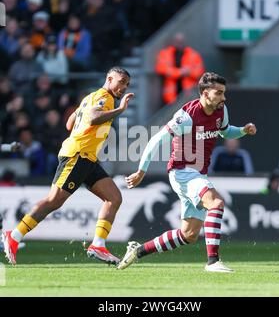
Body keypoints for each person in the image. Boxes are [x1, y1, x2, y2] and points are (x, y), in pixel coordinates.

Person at [117, 72, 257, 272]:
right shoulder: (187, 116)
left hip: (198, 174)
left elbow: (225, 132)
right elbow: (156, 140)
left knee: (189, 234)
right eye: (219, 93)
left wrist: (243, 130)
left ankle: (138, 250)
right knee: (216, 202)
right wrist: (141, 171)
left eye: (224, 93)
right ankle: (213, 262)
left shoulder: (221, 110)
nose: (223, 98)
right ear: (204, 93)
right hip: (182, 172)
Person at [2, 67, 134, 266]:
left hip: (88, 158)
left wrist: (84, 123)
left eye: (126, 84)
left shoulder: (89, 97)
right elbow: (93, 118)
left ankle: (98, 245)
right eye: (121, 81)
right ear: (109, 79)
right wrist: (120, 110)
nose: (123, 87)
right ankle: (14, 235)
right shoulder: (105, 98)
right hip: (78, 155)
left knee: (114, 198)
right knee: (54, 200)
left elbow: (70, 123)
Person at [155, 32, 205, 105]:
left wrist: (189, 72)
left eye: (181, 41)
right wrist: (181, 72)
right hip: (170, 96)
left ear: (185, 42)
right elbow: (161, 69)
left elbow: (199, 72)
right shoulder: (165, 53)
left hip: (188, 96)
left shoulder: (194, 55)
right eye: (177, 41)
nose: (179, 43)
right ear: (173, 41)